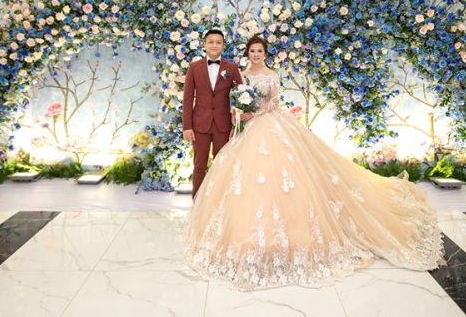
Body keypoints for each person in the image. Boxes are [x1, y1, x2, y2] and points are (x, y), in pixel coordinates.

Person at [183, 35, 444, 290]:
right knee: (243, 177)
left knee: (285, 173)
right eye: (252, 51)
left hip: (270, 124)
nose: (256, 55)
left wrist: (255, 112)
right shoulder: (239, 74)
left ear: (265, 53)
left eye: (260, 51)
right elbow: (232, 98)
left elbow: (275, 101)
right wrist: (240, 114)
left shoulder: (271, 75)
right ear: (247, 54)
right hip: (246, 128)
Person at [182, 28, 244, 199]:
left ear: (223, 45)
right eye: (211, 42)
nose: (214, 45)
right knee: (199, 166)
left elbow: (241, 96)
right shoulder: (194, 67)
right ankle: (197, 203)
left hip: (223, 125)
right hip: (199, 124)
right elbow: (187, 99)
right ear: (204, 44)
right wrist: (187, 127)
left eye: (218, 42)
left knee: (222, 165)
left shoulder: (232, 68)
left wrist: (237, 122)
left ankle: (220, 202)